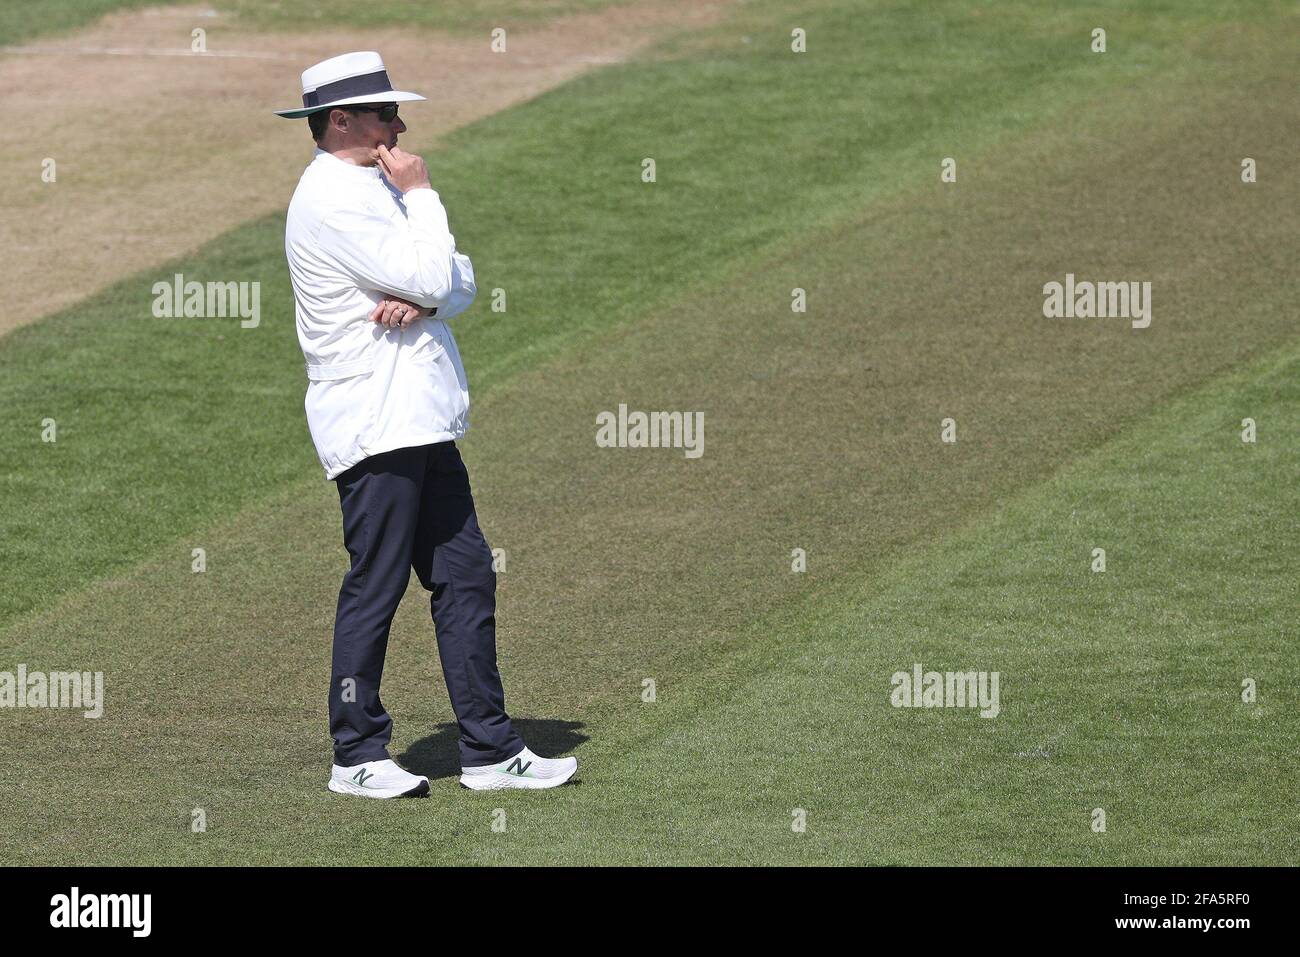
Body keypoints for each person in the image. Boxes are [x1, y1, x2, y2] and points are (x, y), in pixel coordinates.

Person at [275, 51, 578, 796]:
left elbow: (455, 277)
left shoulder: (373, 185)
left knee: (466, 574)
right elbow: (437, 270)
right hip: (375, 424)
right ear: (338, 121)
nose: (399, 126)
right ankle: (355, 754)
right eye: (383, 114)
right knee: (375, 585)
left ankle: (488, 747)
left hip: (418, 419)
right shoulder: (332, 198)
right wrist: (424, 205)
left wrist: (430, 295)